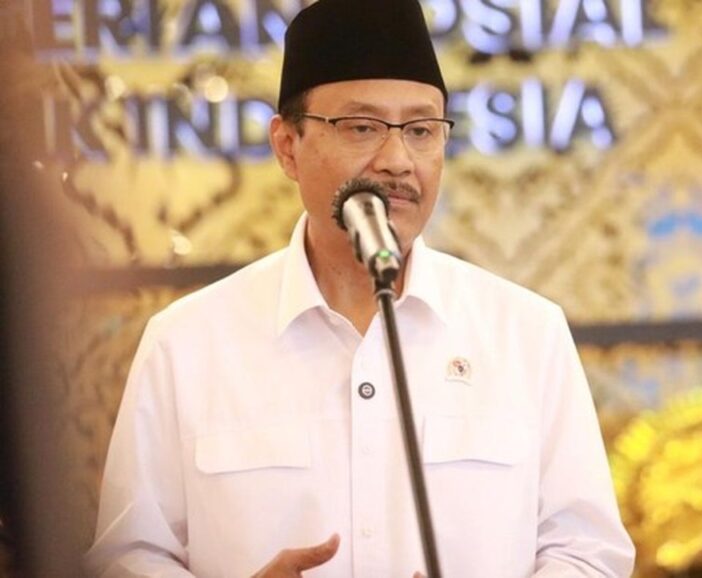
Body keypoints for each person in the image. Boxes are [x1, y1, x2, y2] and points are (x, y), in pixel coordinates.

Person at [84, 0, 634, 576]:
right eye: (362, 128)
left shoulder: (527, 333)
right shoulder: (187, 342)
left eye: (421, 131)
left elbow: (587, 551)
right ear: (288, 146)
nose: (397, 160)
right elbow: (129, 556)